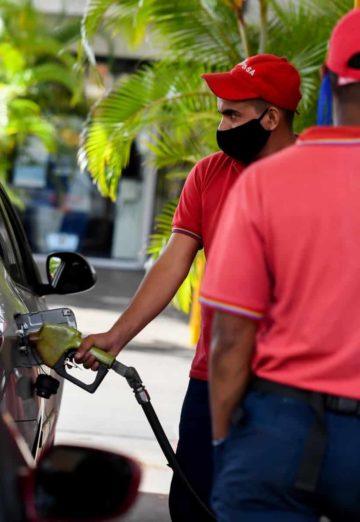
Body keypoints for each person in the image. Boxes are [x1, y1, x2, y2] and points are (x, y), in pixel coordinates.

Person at [75, 54, 302, 520]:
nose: (222, 124)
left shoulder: (314, 177)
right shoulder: (209, 174)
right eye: (222, 112)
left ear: (272, 117)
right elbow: (173, 261)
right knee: (193, 506)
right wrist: (115, 337)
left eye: (233, 114)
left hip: (290, 385)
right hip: (213, 376)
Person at [202, 9, 360, 520]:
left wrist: (227, 441)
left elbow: (231, 337)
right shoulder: (224, 174)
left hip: (278, 432)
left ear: (330, 85)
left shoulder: (267, 182)